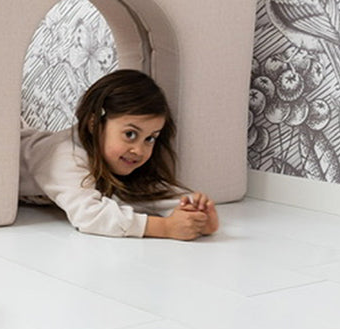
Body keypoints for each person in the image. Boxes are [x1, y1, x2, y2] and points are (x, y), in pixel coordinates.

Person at [19, 69, 219, 240]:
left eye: (150, 138)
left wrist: (197, 213)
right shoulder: (64, 156)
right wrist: (164, 228)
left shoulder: (111, 157)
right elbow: (89, 215)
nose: (139, 150)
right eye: (130, 134)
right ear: (94, 124)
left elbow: (149, 191)